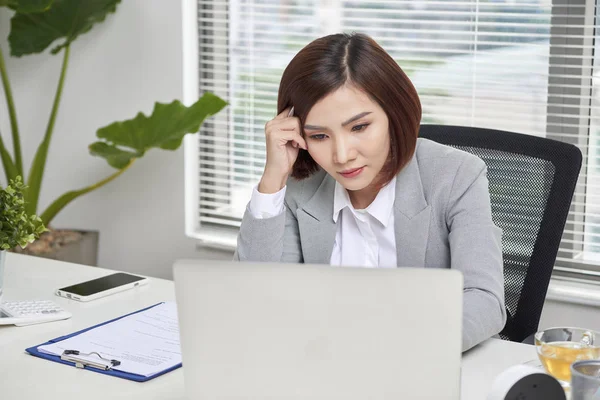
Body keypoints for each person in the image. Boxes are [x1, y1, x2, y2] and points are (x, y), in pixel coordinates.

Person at [234, 32, 506, 352]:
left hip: (417, 365)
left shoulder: (456, 176)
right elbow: (254, 299)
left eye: (359, 127)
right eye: (320, 136)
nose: (342, 155)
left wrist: (396, 345)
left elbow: (485, 300)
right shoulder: (299, 188)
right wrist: (272, 179)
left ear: (394, 114)